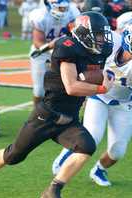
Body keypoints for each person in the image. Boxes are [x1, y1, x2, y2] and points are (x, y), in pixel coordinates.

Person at [0, 11, 114, 198]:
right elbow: (72, 86)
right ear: (84, 33)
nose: (103, 39)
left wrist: (106, 76)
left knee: (86, 146)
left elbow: (96, 71)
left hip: (69, 119)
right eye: (99, 34)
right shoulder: (68, 48)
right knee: (13, 155)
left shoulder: (99, 51)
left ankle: (53, 190)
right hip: (47, 115)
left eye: (103, 34)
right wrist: (101, 88)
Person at [52, 22, 132, 187]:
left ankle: (99, 169)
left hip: (124, 103)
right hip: (99, 96)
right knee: (92, 136)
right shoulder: (111, 41)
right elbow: (83, 38)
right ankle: (66, 154)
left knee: (117, 151)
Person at [29, 0, 80, 105]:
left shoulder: (73, 13)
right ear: (49, 6)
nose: (64, 11)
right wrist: (52, 48)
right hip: (42, 53)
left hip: (64, 52)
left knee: (65, 86)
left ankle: (62, 114)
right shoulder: (40, 16)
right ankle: (36, 117)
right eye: (60, 8)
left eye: (65, 8)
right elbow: (38, 42)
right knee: (39, 90)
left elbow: (76, 34)